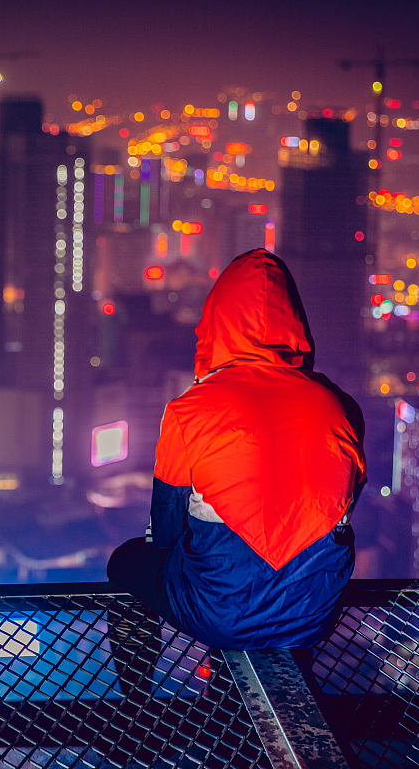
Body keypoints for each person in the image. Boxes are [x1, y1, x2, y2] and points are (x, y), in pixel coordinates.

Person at [107, 248, 366, 662]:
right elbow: (342, 510)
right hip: (313, 617)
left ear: (215, 324)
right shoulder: (340, 407)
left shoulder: (190, 409)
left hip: (218, 615)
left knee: (126, 562)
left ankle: (136, 700)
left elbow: (166, 533)